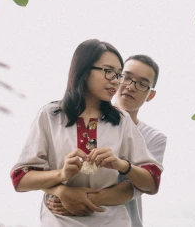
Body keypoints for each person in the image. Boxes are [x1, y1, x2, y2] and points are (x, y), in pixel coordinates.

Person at [10, 40, 162, 226]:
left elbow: (152, 181)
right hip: (59, 220)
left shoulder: (122, 120)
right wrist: (62, 176)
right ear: (84, 69)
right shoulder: (50, 115)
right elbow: (20, 178)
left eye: (118, 74)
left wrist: (121, 164)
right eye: (108, 71)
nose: (115, 80)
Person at [45, 55, 166, 227]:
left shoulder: (154, 138)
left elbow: (136, 187)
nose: (131, 87)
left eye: (142, 83)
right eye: (126, 77)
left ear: (150, 95)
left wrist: (79, 199)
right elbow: (45, 170)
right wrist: (60, 191)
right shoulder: (72, 119)